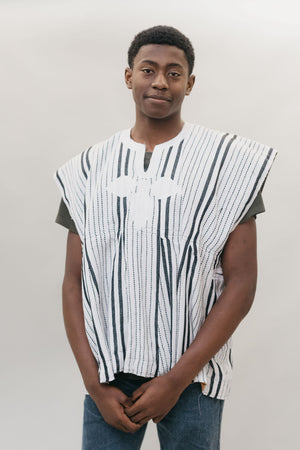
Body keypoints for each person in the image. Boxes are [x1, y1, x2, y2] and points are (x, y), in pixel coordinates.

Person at [54, 25, 276, 450]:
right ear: (128, 76)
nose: (160, 82)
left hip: (193, 378)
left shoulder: (229, 165)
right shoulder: (86, 171)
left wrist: (175, 379)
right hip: (108, 378)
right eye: (148, 70)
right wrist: (94, 385)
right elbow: (73, 282)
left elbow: (242, 282)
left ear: (189, 84)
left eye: (174, 73)